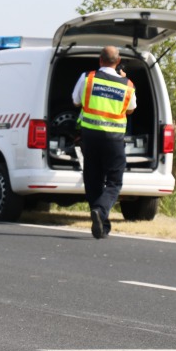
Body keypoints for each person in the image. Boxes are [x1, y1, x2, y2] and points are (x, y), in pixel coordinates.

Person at [72, 45, 136, 239]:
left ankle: (100, 222)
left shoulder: (87, 78)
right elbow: (131, 109)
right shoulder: (128, 84)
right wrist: (122, 79)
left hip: (90, 137)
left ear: (100, 60)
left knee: (93, 179)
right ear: (117, 62)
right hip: (114, 139)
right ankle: (100, 211)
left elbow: (75, 101)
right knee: (114, 181)